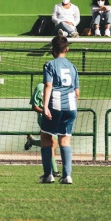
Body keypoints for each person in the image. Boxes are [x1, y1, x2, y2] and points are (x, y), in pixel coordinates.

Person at [39, 35, 79, 184]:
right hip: (71, 106)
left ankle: (48, 175)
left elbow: (48, 85)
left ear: (53, 50)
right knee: (65, 140)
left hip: (55, 104)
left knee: (45, 137)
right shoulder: (73, 67)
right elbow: (77, 92)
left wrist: (45, 107)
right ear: (67, 49)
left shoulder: (50, 65)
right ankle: (67, 176)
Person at [23, 82, 60, 177]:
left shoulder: (58, 86)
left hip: (56, 117)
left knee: (52, 143)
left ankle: (32, 141)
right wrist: (45, 112)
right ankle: (54, 170)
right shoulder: (40, 87)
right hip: (45, 118)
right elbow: (34, 106)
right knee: (52, 142)